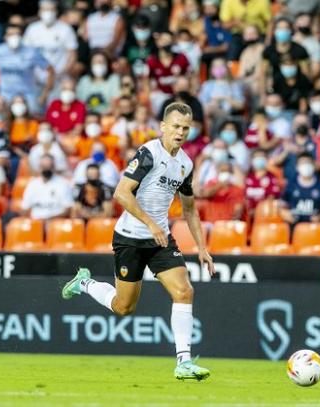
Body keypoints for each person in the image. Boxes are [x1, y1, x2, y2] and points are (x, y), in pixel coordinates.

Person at [61, 102, 214, 381]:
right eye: (176, 126)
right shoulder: (148, 153)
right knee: (124, 307)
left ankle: (184, 362)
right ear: (163, 127)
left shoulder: (186, 164)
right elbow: (121, 193)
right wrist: (151, 222)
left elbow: (190, 209)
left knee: (184, 291)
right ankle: (84, 283)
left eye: (185, 128)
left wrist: (202, 248)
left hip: (160, 240)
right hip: (130, 238)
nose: (180, 132)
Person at [0, 24, 55, 115]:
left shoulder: (31, 52)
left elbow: (50, 70)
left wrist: (45, 94)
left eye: (17, 34)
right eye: (11, 34)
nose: (14, 37)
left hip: (27, 94)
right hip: (5, 93)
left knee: (35, 112)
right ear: (5, 37)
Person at [22, 0, 78, 85]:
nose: (48, 13)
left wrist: (60, 74)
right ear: (39, 12)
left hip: (59, 79)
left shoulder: (66, 29)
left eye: (51, 10)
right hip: (36, 80)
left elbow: (72, 54)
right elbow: (25, 53)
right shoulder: (32, 29)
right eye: (45, 10)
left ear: (56, 12)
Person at [280, 153, 320, 227]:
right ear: (297, 167)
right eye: (302, 163)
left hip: (314, 227)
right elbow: (282, 205)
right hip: (293, 225)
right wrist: (285, 213)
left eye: (308, 163)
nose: (305, 166)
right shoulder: (290, 185)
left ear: (314, 165)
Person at [21, 154, 74, 220]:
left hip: (55, 223)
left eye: (49, 166)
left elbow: (68, 209)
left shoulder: (63, 184)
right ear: (40, 167)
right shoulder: (32, 184)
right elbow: (25, 208)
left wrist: (49, 219)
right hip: (36, 223)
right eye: (44, 166)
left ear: (53, 167)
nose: (46, 169)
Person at [245, 149, 281, 216]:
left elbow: (271, 197)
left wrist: (258, 211)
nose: (259, 159)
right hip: (249, 215)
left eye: (262, 157)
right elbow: (245, 197)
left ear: (266, 159)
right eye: (257, 157)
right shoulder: (248, 177)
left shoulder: (272, 177)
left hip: (264, 214)